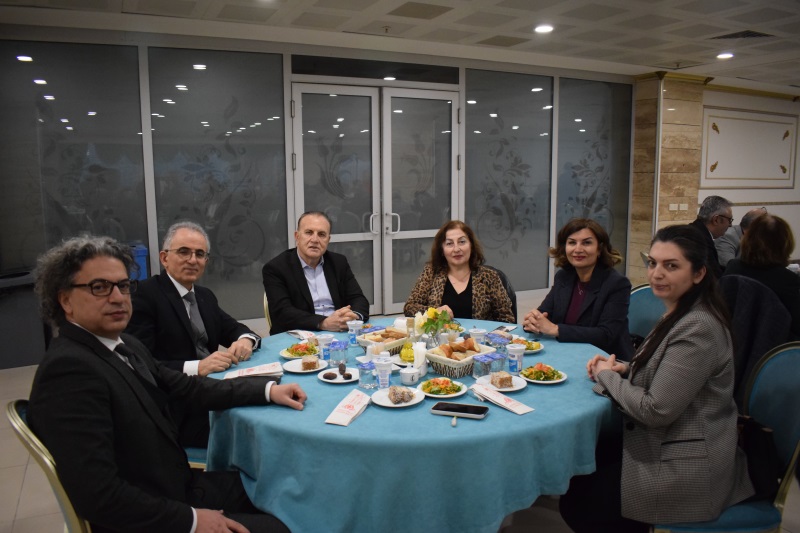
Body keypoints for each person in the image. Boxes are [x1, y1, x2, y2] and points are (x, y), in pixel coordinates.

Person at [28, 235, 307, 533]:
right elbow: (99, 496)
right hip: (155, 515)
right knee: (287, 525)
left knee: (287, 489)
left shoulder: (124, 345)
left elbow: (190, 388)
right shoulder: (69, 371)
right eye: (99, 287)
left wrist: (267, 390)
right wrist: (193, 520)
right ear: (65, 300)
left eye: (123, 285)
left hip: (175, 486)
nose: (118, 297)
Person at [559, 225, 753, 532]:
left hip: (686, 461)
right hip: (666, 438)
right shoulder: (680, 311)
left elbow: (655, 409)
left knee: (580, 501)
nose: (656, 274)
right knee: (578, 464)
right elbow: (668, 371)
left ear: (699, 273)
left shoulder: (698, 328)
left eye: (671, 266)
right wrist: (626, 369)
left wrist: (608, 376)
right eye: (653, 263)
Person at [126, 221, 261, 447]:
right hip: (177, 406)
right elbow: (141, 364)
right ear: (164, 258)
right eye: (183, 252)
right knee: (253, 430)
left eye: (200, 254)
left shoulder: (205, 296)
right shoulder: (145, 296)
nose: (192, 260)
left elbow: (236, 329)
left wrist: (245, 340)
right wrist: (197, 367)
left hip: (212, 390)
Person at [522, 218, 632, 360]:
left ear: (599, 249)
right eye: (572, 242)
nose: (578, 249)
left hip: (605, 360)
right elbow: (544, 314)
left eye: (586, 243)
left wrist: (555, 329)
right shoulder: (563, 277)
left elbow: (606, 335)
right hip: (567, 353)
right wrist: (533, 321)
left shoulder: (617, 284)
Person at [262, 211, 369, 335]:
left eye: (322, 234)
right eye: (309, 232)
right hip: (299, 333)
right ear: (297, 236)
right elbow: (282, 313)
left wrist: (353, 317)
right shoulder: (275, 268)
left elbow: (358, 298)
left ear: (328, 240)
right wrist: (324, 323)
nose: (315, 239)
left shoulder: (339, 262)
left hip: (339, 330)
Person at [403, 220, 514, 323]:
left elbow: (507, 318)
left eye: (462, 242)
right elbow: (409, 307)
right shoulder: (431, 273)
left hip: (478, 337)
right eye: (449, 243)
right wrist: (434, 313)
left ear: (471, 245)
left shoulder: (489, 276)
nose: (456, 249)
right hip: (441, 336)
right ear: (442, 250)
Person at [724, 213, 800, 339]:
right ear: (785, 244)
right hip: (772, 347)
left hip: (730, 342)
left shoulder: (733, 267)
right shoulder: (787, 280)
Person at [689, 195, 733, 278]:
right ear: (716, 220)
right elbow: (714, 276)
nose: (730, 225)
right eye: (729, 220)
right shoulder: (701, 241)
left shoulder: (695, 230)